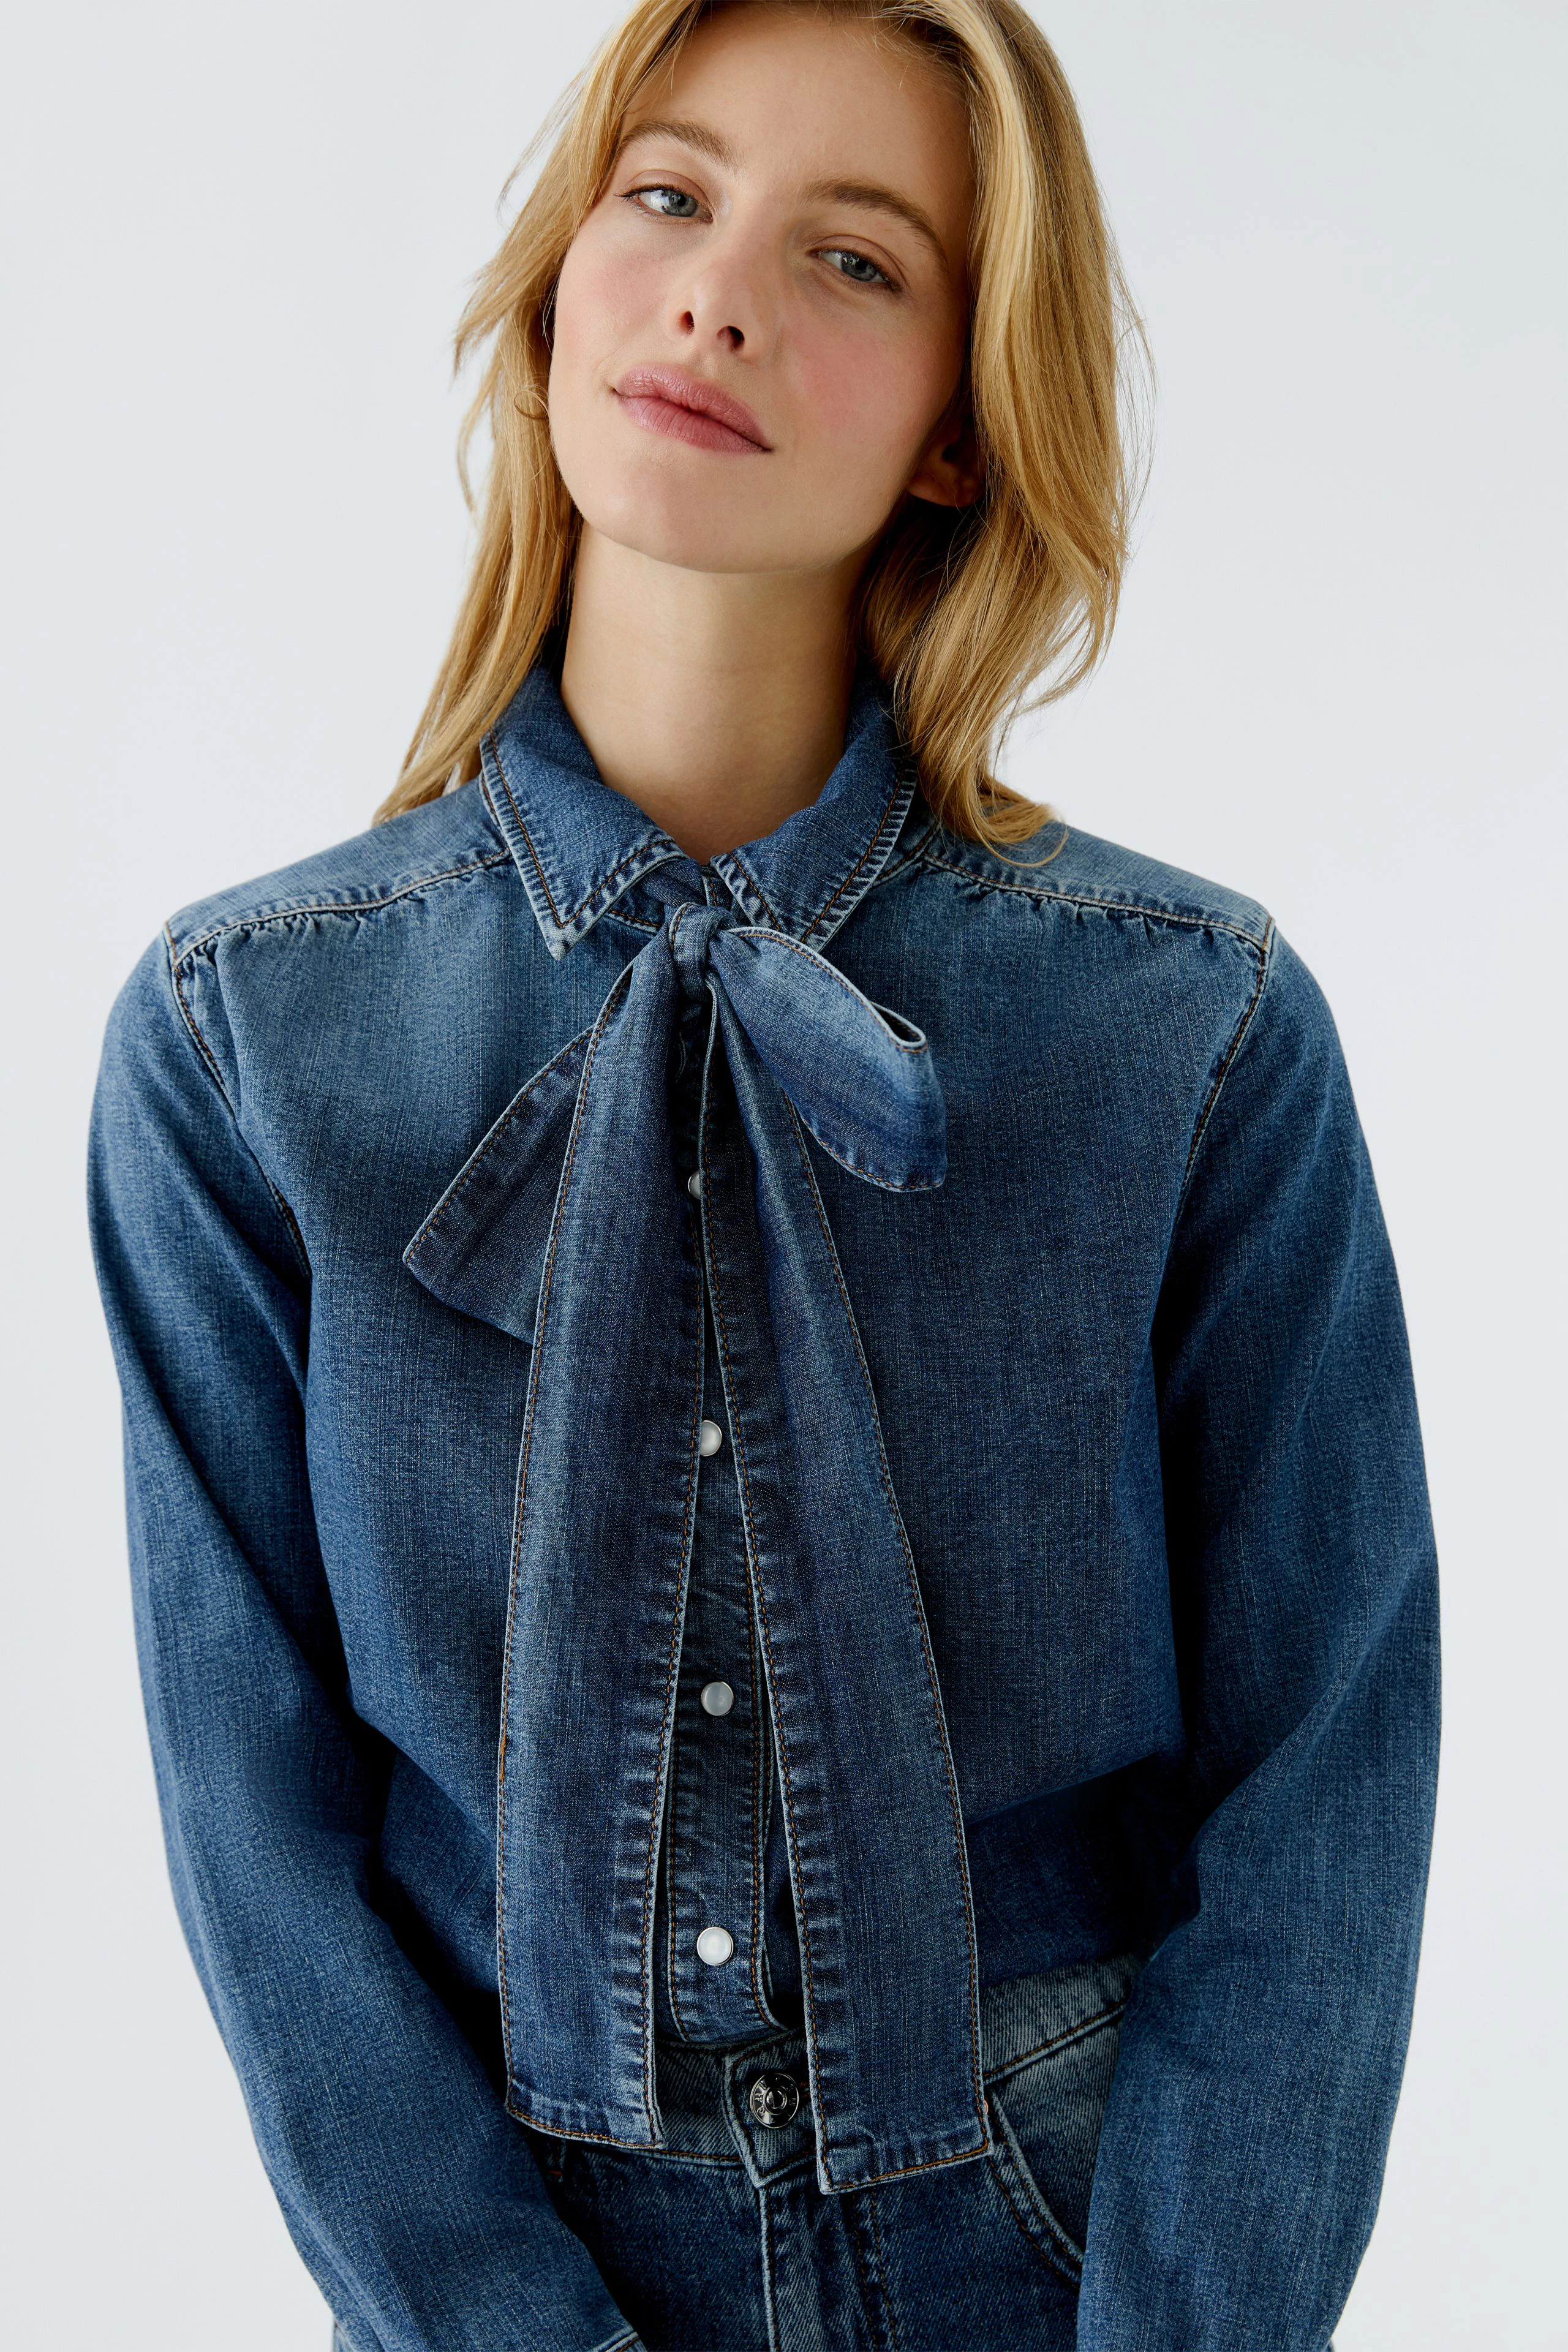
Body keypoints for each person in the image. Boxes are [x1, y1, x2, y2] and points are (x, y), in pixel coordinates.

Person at [87, 2, 1440, 2347]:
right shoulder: (242, 1047)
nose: (720, 294)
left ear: (955, 429)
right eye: (673, 195)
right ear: (557, 274)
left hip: (1066, 2227)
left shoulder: (1190, 1030)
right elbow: (259, 1842)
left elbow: (1332, 1761)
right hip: (513, 2245)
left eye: (859, 263)